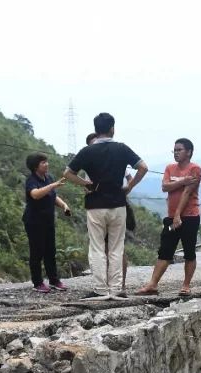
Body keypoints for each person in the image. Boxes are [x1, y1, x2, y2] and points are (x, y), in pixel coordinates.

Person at [64, 113, 147, 300]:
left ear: (96, 129)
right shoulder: (121, 148)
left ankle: (100, 289)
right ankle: (117, 289)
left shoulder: (88, 151)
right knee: (116, 248)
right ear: (112, 128)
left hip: (95, 204)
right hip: (118, 203)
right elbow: (143, 167)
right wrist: (129, 187)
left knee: (97, 247)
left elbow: (68, 173)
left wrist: (86, 184)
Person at [137, 138, 201, 297]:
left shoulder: (195, 169)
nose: (176, 153)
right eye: (175, 150)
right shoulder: (169, 168)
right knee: (165, 250)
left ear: (189, 152)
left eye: (179, 150)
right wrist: (183, 181)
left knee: (189, 251)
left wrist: (178, 215)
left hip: (190, 217)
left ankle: (186, 285)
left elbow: (188, 192)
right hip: (171, 218)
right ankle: (152, 284)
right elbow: (165, 187)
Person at [23, 152, 70, 293]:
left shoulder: (48, 178)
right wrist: (53, 185)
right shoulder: (31, 180)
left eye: (46, 161)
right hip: (34, 222)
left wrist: (64, 205)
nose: (46, 164)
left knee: (50, 251)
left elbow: (53, 196)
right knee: (37, 252)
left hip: (48, 221)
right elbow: (36, 194)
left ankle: (54, 280)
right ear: (35, 166)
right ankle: (37, 282)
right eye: (43, 162)